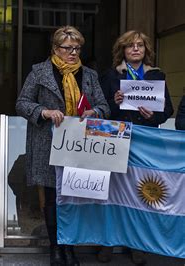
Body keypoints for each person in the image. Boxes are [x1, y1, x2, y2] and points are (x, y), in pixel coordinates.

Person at [15, 25, 110, 266]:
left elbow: (104, 106)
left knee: (73, 199)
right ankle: (56, 248)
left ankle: (70, 247)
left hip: (79, 146)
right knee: (51, 198)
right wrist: (43, 111)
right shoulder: (39, 72)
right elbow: (22, 103)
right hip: (48, 144)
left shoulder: (89, 75)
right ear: (55, 48)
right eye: (68, 48)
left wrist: (94, 111)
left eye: (77, 48)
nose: (73, 53)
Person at [99, 30, 174, 265]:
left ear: (146, 50)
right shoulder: (111, 75)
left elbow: (168, 110)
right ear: (122, 50)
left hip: (145, 141)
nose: (135, 49)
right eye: (130, 45)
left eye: (140, 45)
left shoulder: (156, 75)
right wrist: (115, 102)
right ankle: (107, 243)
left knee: (139, 193)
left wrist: (153, 115)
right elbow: (100, 108)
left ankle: (136, 245)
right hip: (116, 139)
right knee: (111, 192)